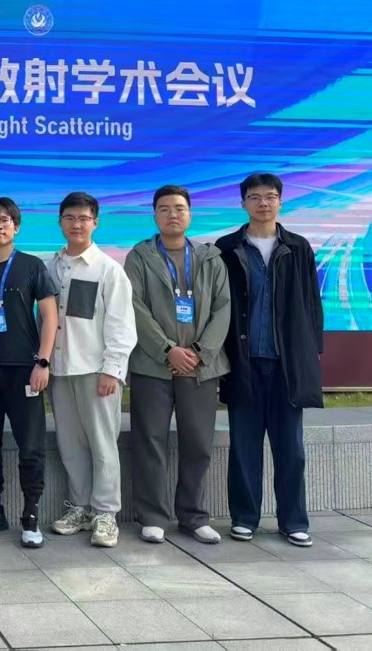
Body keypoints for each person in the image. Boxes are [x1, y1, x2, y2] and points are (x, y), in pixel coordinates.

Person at [215, 173, 323, 547]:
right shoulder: (227, 248)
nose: (263, 203)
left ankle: (293, 521)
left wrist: (310, 355)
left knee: (290, 448)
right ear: (243, 203)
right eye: (255, 197)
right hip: (244, 362)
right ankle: (245, 518)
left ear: (280, 201)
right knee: (244, 446)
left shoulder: (298, 247)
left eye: (270, 196)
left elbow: (311, 305)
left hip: (286, 364)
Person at [125, 186, 230, 545]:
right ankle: (152, 516)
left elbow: (223, 308)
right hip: (153, 366)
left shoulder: (210, 257)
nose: (173, 214)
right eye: (165, 208)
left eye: (180, 208)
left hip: (201, 367)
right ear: (154, 214)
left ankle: (193, 516)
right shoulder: (140, 256)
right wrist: (167, 350)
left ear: (189, 214)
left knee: (198, 442)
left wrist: (200, 352)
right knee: (150, 441)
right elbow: (134, 307)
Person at [0, 198, 57, 549]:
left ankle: (31, 515)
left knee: (30, 445)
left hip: (24, 371)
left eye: (5, 220)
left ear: (16, 227)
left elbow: (50, 316)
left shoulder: (32, 266)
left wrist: (43, 362)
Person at [46, 193, 137, 548]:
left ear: (95, 223)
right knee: (70, 445)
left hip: (96, 371)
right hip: (60, 370)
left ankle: (106, 513)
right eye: (70, 217)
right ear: (60, 222)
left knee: (102, 444)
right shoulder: (52, 266)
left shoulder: (107, 269)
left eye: (84, 218)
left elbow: (121, 324)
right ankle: (81, 508)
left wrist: (112, 370)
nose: (76, 224)